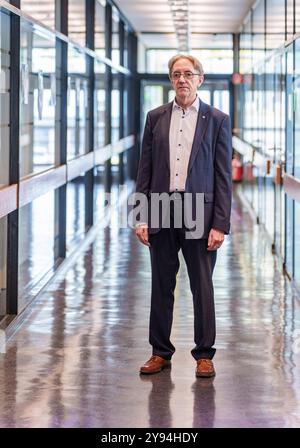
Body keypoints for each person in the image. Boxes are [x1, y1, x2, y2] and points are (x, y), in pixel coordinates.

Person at [135, 54, 232, 378]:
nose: (182, 80)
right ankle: (160, 352)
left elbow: (222, 177)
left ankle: (204, 354)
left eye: (188, 74)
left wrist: (220, 224)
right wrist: (141, 216)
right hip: (162, 206)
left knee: (201, 285)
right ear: (170, 79)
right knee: (161, 285)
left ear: (200, 79)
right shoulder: (155, 117)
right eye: (176, 74)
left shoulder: (216, 119)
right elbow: (144, 170)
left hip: (198, 213)